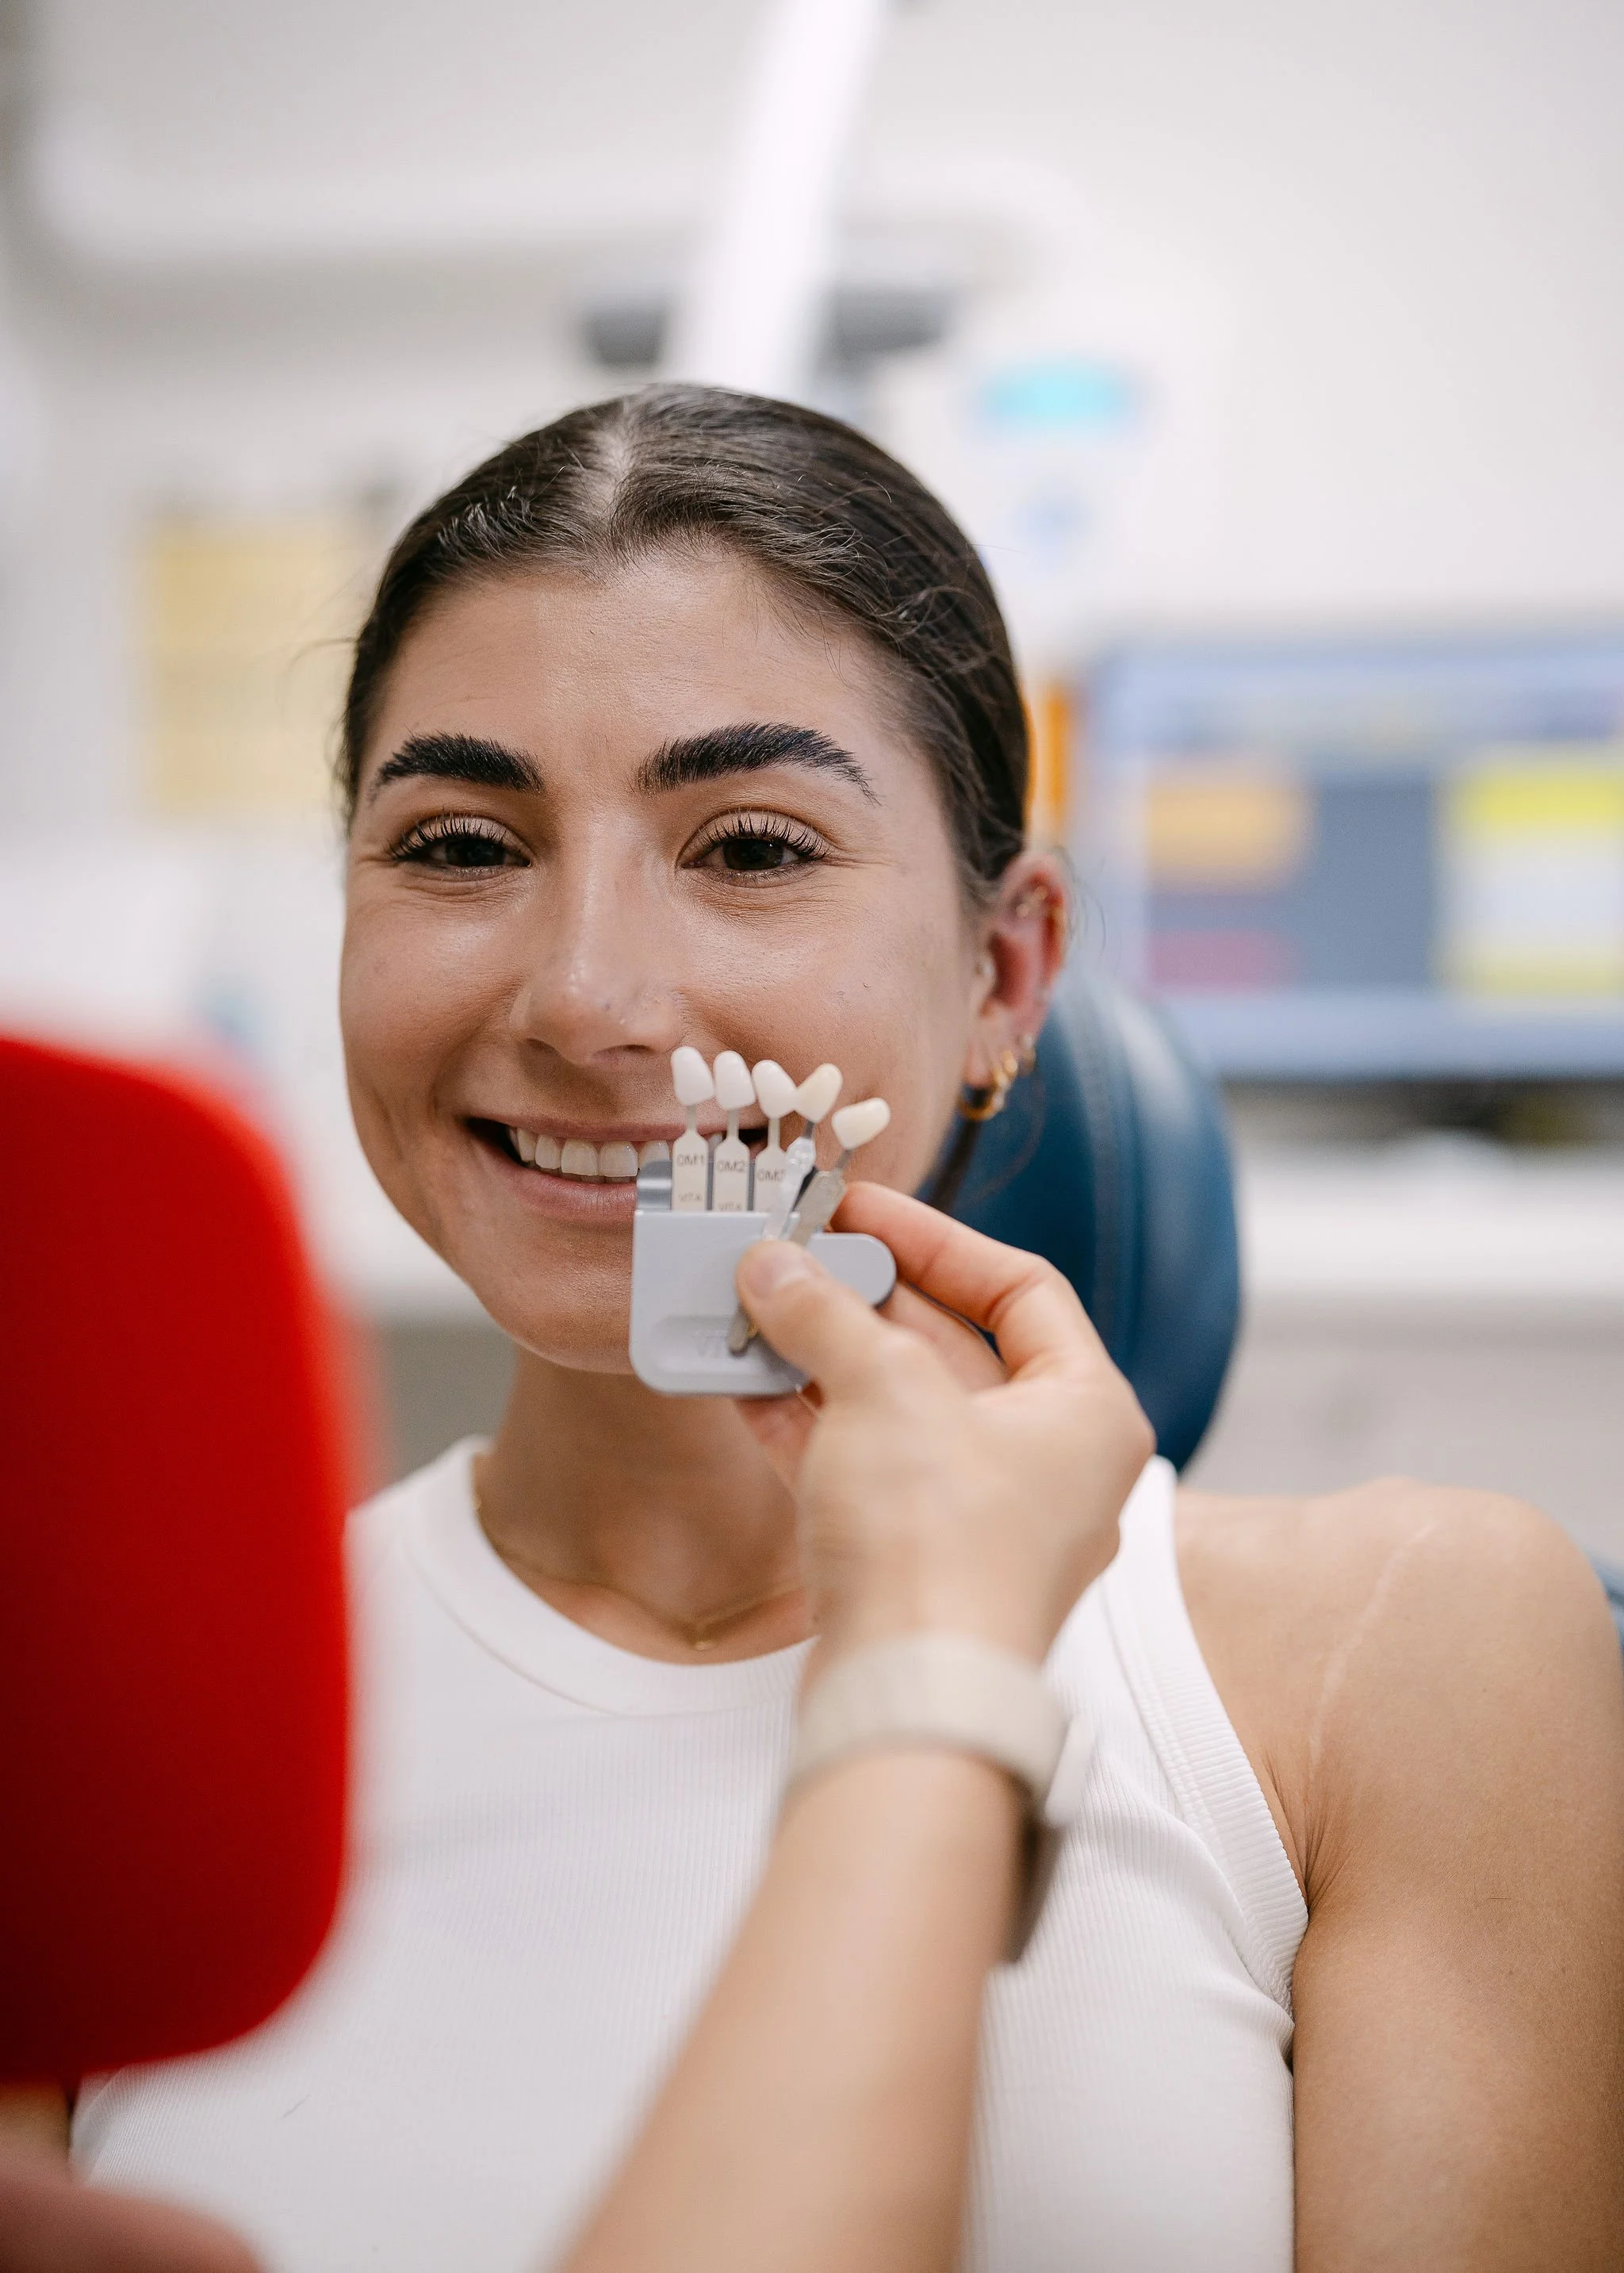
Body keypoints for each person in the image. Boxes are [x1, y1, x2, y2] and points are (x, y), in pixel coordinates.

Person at [12, 387, 1622, 2271]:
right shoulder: (99, 1713)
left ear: (1003, 969)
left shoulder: (1409, 1645)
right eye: (456, 843)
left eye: (755, 846)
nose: (587, 994)